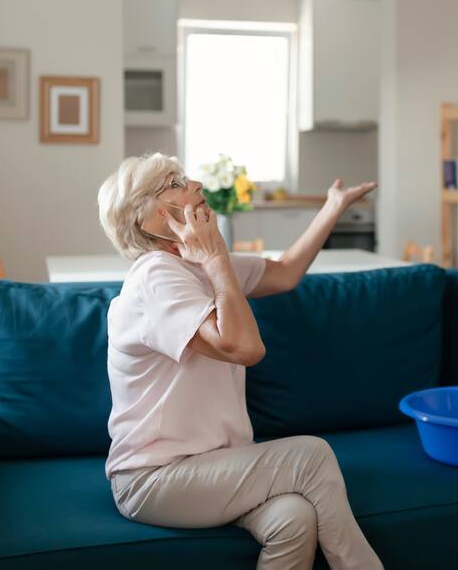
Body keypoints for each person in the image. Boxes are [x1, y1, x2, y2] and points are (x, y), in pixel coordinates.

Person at [96, 153, 383, 570]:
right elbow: (244, 348)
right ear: (152, 218)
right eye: (175, 183)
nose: (195, 184)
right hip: (154, 478)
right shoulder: (156, 275)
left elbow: (284, 272)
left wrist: (332, 207)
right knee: (312, 456)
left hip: (214, 466)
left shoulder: (195, 267)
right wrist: (215, 258)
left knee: (293, 518)